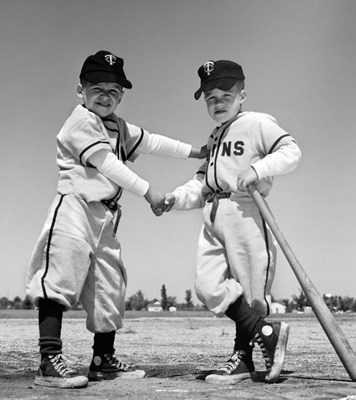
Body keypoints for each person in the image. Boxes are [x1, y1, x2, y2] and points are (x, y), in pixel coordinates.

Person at [26, 50, 207, 389]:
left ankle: (102, 360)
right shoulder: (80, 121)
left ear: (121, 94)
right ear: (80, 90)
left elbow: (152, 141)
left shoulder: (117, 125)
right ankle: (48, 360)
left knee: (109, 285)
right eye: (97, 88)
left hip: (106, 216)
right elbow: (107, 162)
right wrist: (149, 191)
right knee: (58, 278)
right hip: (75, 208)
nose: (105, 96)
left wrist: (197, 151)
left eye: (113, 90)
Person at [155, 59, 302, 384]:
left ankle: (243, 359)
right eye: (210, 97)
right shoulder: (215, 135)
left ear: (242, 94)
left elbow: (291, 151)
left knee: (252, 293)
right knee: (207, 286)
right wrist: (175, 199)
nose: (218, 102)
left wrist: (257, 169)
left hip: (246, 211)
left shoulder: (257, 122)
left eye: (226, 94)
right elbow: (201, 184)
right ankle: (266, 334)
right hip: (214, 212)